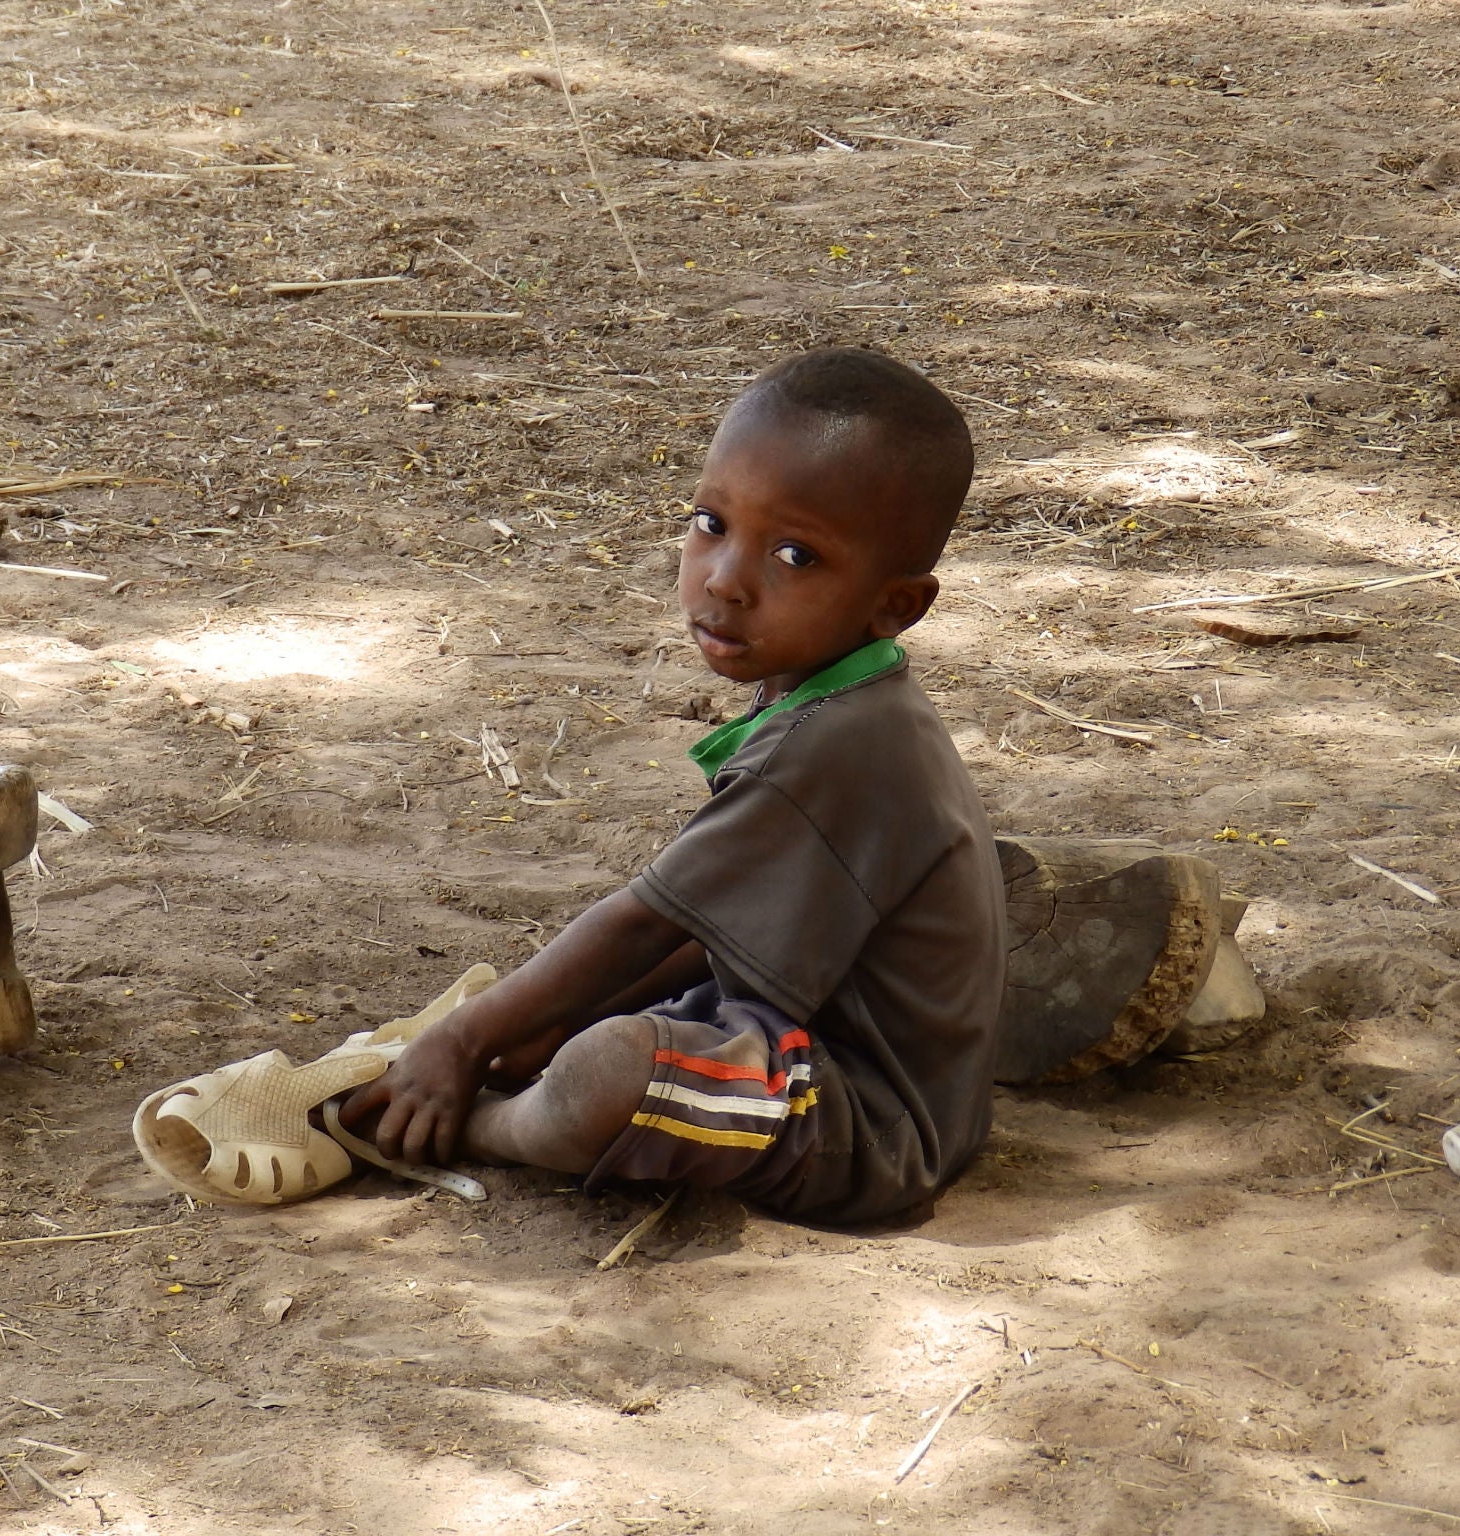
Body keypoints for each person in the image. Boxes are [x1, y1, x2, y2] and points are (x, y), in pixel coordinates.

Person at [343, 347, 1006, 1224]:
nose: (727, 579)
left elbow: (645, 921)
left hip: (869, 1129)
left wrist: (465, 1043)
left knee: (612, 1073)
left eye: (797, 556)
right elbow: (711, 930)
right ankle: (491, 1081)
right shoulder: (843, 700)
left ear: (896, 604)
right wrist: (538, 1022)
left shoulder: (839, 744)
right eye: (710, 522)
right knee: (569, 1025)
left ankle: (478, 1129)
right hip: (789, 1041)